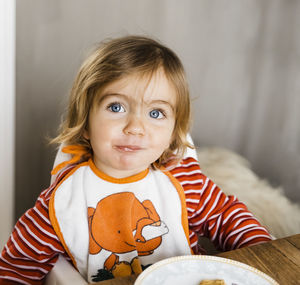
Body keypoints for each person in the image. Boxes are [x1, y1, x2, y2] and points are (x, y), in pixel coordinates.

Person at [0, 35, 271, 284]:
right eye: (116, 107)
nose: (135, 127)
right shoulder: (62, 202)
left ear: (173, 133)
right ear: (84, 124)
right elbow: (17, 265)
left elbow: (227, 216)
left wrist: (264, 256)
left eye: (156, 113)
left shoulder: (184, 181)